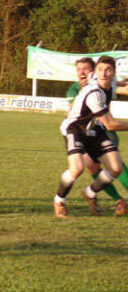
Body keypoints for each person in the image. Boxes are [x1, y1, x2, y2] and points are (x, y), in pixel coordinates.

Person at [54, 56, 128, 217]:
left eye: (108, 70)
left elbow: (120, 85)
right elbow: (110, 124)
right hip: (75, 129)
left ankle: (90, 192)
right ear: (96, 72)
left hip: (95, 129)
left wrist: (124, 81)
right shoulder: (94, 93)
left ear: (114, 73)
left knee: (116, 168)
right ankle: (59, 200)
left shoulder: (111, 82)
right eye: (100, 70)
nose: (104, 73)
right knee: (77, 169)